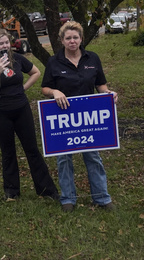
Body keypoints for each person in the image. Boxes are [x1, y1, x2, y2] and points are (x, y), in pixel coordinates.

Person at [41, 21, 117, 212]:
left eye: (76, 37)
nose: (72, 41)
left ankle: (101, 197)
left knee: (93, 156)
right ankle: (68, 198)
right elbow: (45, 88)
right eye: (68, 38)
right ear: (62, 41)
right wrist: (54, 92)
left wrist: (108, 94)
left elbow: (101, 85)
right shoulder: (53, 62)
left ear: (81, 39)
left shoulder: (92, 59)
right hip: (63, 117)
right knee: (64, 159)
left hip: (88, 117)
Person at [0, 28, 59, 201]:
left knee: (32, 149)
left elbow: (36, 72)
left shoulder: (17, 59)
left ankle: (46, 190)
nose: (4, 45)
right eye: (0, 43)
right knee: (8, 151)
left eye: (6, 42)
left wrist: (22, 88)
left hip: (21, 109)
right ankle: (11, 191)